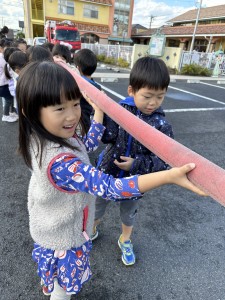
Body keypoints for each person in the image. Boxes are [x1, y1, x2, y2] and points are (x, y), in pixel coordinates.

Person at [16, 60, 205, 300]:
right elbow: (111, 188)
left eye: (75, 104)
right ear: (31, 112)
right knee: (62, 293)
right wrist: (169, 176)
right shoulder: (60, 163)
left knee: (52, 275)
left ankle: (50, 282)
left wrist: (98, 110)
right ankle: (55, 289)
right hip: (63, 238)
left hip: (50, 226)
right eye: (60, 108)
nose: (73, 115)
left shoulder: (43, 136)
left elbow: (89, 143)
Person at [92, 56, 175, 266]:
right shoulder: (121, 110)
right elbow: (107, 136)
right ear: (131, 91)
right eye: (147, 96)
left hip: (135, 180)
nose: (153, 102)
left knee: (128, 213)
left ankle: (125, 239)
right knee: (97, 206)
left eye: (160, 96)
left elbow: (163, 162)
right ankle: (91, 230)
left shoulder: (161, 125)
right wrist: (100, 111)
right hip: (106, 172)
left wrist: (136, 164)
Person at [74, 48, 101, 131]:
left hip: (76, 123)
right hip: (89, 123)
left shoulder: (75, 84)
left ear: (77, 68)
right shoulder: (97, 87)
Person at [0, 39, 18, 122]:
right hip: (3, 85)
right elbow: (10, 72)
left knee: (10, 98)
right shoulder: (3, 60)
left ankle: (11, 112)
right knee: (8, 100)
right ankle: (5, 115)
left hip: (4, 84)